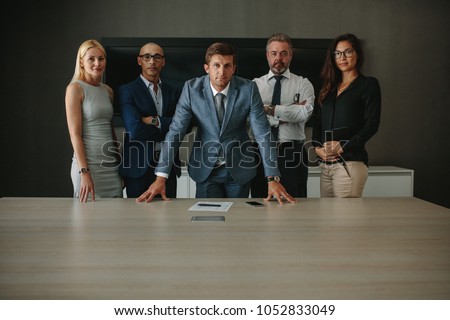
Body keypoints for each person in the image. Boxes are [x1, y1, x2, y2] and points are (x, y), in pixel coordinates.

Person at [137, 42, 295, 204]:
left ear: (233, 68)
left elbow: (262, 133)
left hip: (239, 168)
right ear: (207, 68)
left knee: (237, 222)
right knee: (207, 223)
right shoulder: (192, 89)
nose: (222, 71)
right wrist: (161, 176)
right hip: (206, 170)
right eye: (216, 65)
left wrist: (272, 178)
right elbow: (176, 131)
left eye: (227, 66)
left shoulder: (248, 89)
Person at [312, 33, 381, 197]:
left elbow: (372, 124)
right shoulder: (328, 88)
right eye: (337, 53)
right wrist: (317, 148)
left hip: (350, 164)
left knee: (345, 220)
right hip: (326, 165)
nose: (342, 57)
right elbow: (318, 121)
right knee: (326, 220)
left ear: (357, 54)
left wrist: (343, 146)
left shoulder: (368, 84)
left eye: (348, 52)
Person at [251, 33, 315, 198]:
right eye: (274, 53)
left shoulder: (303, 83)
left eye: (283, 53)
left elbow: (305, 113)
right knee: (262, 203)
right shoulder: (255, 85)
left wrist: (268, 109)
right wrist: (289, 110)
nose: (278, 58)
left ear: (290, 55)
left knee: (296, 204)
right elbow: (250, 118)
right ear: (267, 55)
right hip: (260, 153)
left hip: (292, 153)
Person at [118, 43, 182, 198]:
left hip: (167, 167)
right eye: (147, 57)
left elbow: (182, 127)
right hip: (138, 167)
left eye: (157, 57)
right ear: (140, 61)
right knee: (138, 219)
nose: (152, 61)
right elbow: (135, 130)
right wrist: (168, 127)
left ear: (163, 62)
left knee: (168, 217)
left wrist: (154, 121)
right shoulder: (127, 90)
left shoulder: (174, 92)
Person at [65, 39, 123, 202]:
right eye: (91, 59)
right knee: (87, 222)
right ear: (81, 62)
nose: (97, 63)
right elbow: (75, 135)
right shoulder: (75, 89)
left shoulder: (108, 91)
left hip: (110, 167)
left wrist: (119, 165)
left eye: (101, 58)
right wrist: (84, 172)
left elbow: (110, 129)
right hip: (88, 166)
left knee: (115, 222)